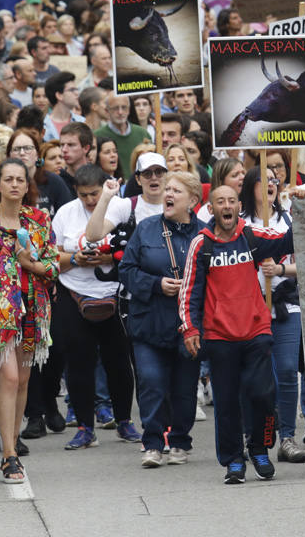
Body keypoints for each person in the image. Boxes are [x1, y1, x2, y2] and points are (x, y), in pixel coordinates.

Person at [178, 184, 295, 484]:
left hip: (256, 330)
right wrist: (190, 328)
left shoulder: (252, 235)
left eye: (231, 201)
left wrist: (303, 206)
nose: (226, 206)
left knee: (262, 394)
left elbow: (288, 241)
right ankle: (233, 461)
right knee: (227, 403)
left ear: (238, 206)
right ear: (211, 208)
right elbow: (189, 291)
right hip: (219, 337)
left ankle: (259, 449)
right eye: (220, 201)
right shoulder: (200, 244)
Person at [0, 159, 59, 484]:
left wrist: (30, 265)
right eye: (9, 179)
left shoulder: (38, 219)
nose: (15, 184)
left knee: (21, 381)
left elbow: (52, 265)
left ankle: (12, 446)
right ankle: (8, 455)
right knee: (7, 378)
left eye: (21, 179)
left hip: (33, 308)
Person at [51, 165, 142, 450]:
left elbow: (135, 247)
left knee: (119, 361)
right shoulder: (66, 212)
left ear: (106, 187)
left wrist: (110, 258)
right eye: (83, 195)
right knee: (79, 362)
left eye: (94, 194)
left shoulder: (123, 208)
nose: (90, 200)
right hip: (75, 291)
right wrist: (76, 258)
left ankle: (124, 421)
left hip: (113, 293)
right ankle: (84, 427)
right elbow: (53, 252)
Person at [119, 171, 205, 468]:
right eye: (167, 189)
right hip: (150, 322)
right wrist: (157, 285)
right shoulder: (145, 229)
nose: (168, 194)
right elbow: (126, 271)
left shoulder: (206, 234)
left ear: (193, 200)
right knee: (152, 382)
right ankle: (153, 443)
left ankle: (180, 439)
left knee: (184, 388)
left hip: (189, 325)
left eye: (176, 191)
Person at [237, 167, 305, 464]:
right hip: (250, 308)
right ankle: (250, 436)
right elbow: (250, 254)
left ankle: (287, 438)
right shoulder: (239, 222)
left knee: (289, 370)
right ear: (250, 187)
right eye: (263, 180)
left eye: (275, 180)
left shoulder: (288, 217)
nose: (271, 185)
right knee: (253, 377)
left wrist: (280, 269)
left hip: (286, 304)